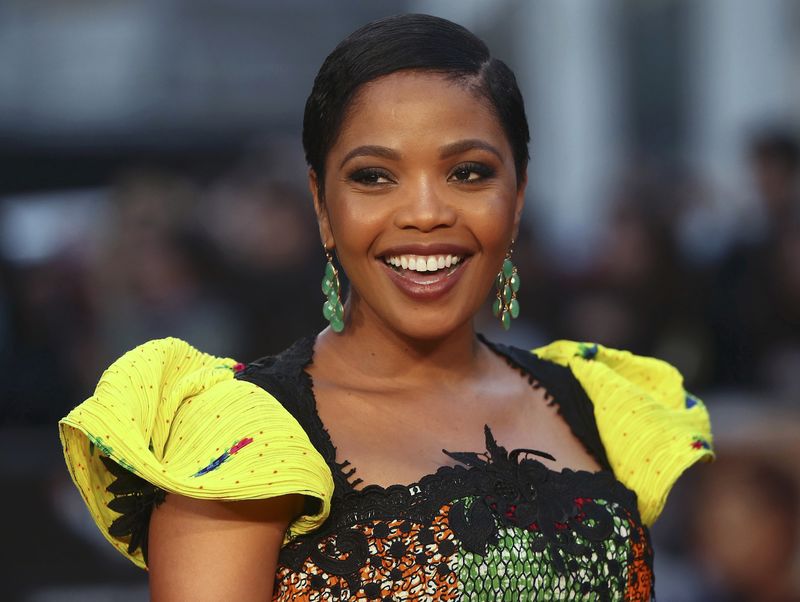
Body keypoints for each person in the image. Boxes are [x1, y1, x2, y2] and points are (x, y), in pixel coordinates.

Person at [58, 14, 713, 600]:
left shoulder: (597, 404)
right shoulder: (240, 444)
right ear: (322, 206)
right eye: (375, 176)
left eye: (469, 173)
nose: (426, 213)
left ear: (516, 201)